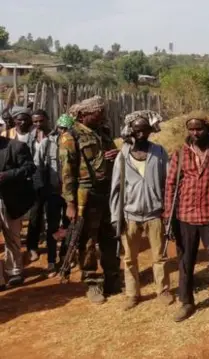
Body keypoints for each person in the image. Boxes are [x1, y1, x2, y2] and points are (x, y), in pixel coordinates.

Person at [163, 113, 209, 322]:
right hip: (185, 216)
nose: (195, 133)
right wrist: (168, 215)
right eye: (192, 129)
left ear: (208, 129)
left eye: (199, 129)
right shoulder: (180, 152)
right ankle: (186, 302)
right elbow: (170, 185)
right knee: (185, 262)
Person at [58, 96, 120, 304]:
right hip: (86, 195)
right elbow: (67, 173)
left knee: (110, 237)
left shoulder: (103, 133)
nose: (102, 116)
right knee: (88, 241)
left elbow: (104, 158)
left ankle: (113, 278)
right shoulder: (70, 136)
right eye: (98, 113)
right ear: (85, 115)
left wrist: (112, 156)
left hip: (108, 192)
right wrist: (70, 203)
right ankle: (92, 282)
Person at [111, 110, 173, 311]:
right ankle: (132, 294)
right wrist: (115, 217)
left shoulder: (159, 152)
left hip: (155, 213)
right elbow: (116, 189)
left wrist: (169, 211)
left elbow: (169, 183)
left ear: (149, 131)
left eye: (144, 130)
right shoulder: (123, 155)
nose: (140, 134)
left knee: (159, 256)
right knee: (129, 258)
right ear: (131, 130)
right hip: (130, 215)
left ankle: (162, 290)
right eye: (137, 130)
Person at [33, 114, 73, 276]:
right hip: (53, 193)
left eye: (67, 129)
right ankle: (51, 260)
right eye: (61, 129)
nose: (64, 132)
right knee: (52, 226)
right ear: (57, 128)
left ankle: (66, 257)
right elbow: (37, 166)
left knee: (69, 225)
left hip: (70, 194)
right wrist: (40, 189)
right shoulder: (46, 144)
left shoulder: (74, 144)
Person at [0, 113, 37, 290]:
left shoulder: (16, 147)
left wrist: (6, 176)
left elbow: (30, 168)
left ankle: (15, 271)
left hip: (10, 200)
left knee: (12, 237)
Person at [26, 109, 53, 263]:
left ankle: (56, 249)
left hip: (54, 182)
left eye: (40, 121)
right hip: (36, 182)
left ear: (47, 119)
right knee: (35, 216)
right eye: (35, 121)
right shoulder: (31, 137)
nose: (38, 124)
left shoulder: (57, 136)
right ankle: (32, 247)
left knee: (54, 217)